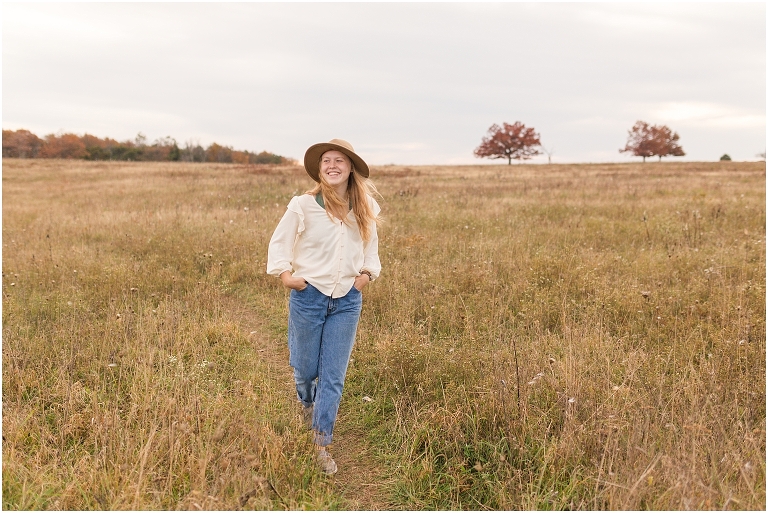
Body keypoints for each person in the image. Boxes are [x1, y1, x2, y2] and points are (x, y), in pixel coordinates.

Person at [266, 139, 381, 475]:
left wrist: (365, 276)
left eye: (339, 160)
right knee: (304, 370)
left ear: (351, 167)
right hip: (309, 296)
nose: (332, 166)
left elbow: (371, 249)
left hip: (347, 300)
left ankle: (320, 444)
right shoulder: (303, 205)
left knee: (332, 377)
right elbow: (279, 243)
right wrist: (288, 278)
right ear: (319, 168)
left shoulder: (365, 207)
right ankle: (306, 403)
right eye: (326, 161)